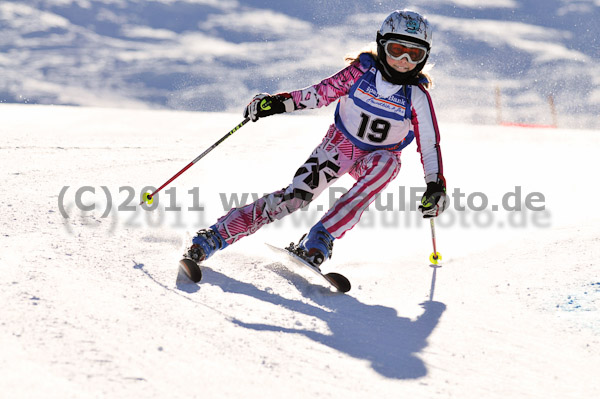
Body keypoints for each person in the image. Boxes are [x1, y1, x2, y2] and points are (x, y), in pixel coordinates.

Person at [182, 9, 448, 272]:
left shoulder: (417, 97)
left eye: (414, 54)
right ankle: (215, 236)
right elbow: (319, 94)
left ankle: (321, 236)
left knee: (388, 164)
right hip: (339, 146)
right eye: (396, 49)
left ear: (424, 58)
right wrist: (276, 104)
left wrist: (434, 184)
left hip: (376, 158)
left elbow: (429, 142)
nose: (403, 60)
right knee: (295, 198)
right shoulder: (360, 73)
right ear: (382, 45)